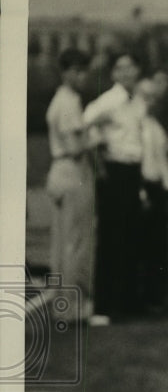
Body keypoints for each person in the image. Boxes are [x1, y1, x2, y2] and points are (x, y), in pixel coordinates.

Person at [83, 51, 147, 321]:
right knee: (111, 239)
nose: (127, 73)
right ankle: (103, 306)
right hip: (114, 172)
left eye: (131, 67)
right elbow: (86, 122)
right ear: (113, 74)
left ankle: (128, 302)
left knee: (132, 238)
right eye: (121, 68)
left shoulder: (138, 102)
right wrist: (100, 152)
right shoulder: (108, 101)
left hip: (132, 172)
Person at [44, 47, 105, 325]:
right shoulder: (68, 102)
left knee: (63, 242)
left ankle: (62, 305)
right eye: (79, 72)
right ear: (67, 72)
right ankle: (72, 308)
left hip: (59, 170)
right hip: (71, 169)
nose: (82, 77)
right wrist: (95, 136)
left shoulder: (62, 100)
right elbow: (76, 145)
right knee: (76, 242)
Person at [137, 77, 168, 312]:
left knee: (160, 245)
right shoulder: (137, 125)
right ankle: (148, 296)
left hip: (159, 188)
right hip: (145, 188)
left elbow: (162, 159)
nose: (151, 102)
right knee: (147, 246)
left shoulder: (155, 125)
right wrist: (142, 191)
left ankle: (159, 294)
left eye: (154, 97)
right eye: (146, 97)